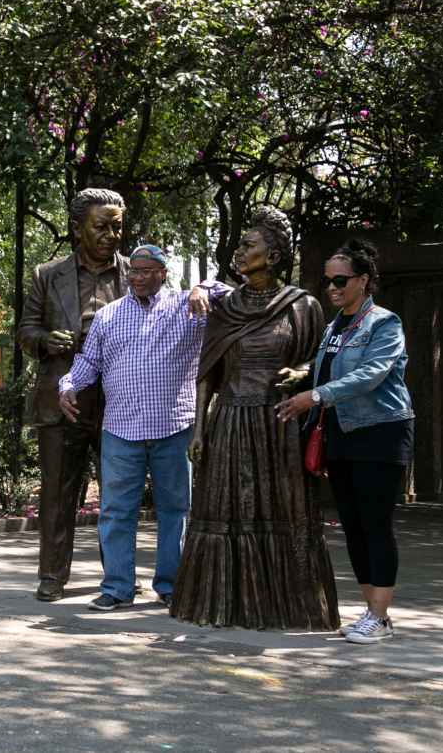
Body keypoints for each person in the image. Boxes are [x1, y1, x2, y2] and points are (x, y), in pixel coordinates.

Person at [171, 207, 340, 631]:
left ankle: (285, 607)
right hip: (228, 420)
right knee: (226, 512)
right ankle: (221, 604)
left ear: (275, 255)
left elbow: (320, 364)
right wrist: (198, 430)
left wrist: (300, 374)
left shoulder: (303, 307)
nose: (240, 251)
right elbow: (207, 374)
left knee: (282, 511)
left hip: (277, 422)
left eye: (250, 245)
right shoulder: (225, 307)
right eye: (241, 244)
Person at [59, 245, 223, 611]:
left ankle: (171, 585)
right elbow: (89, 362)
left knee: (175, 510)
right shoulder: (109, 316)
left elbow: (231, 293)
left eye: (148, 270)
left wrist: (204, 288)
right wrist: (68, 386)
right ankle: (117, 588)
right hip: (120, 430)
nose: (139, 277)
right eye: (134, 270)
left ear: (164, 273)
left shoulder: (189, 308)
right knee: (116, 512)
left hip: (174, 427)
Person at [277, 239, 414, 644]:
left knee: (375, 524)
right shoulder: (335, 325)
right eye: (328, 282)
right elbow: (327, 369)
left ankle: (380, 614)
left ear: (365, 280)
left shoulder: (384, 324)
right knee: (353, 526)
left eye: (341, 280)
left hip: (380, 432)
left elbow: (371, 374)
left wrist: (315, 396)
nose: (333, 288)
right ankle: (372, 613)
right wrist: (301, 375)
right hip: (340, 432)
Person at [18, 189, 130, 602]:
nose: (110, 235)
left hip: (120, 401)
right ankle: (52, 576)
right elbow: (25, 332)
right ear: (77, 228)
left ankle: (118, 577)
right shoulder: (47, 275)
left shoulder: (134, 274)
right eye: (101, 226)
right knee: (57, 494)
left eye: (117, 227)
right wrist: (48, 339)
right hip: (63, 399)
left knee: (118, 491)